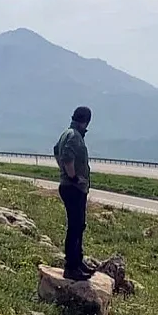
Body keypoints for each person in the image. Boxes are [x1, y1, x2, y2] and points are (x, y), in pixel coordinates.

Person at [53, 106, 95, 281]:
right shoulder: (75, 136)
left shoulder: (67, 133)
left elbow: (56, 150)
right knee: (75, 227)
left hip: (70, 187)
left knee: (79, 225)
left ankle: (78, 261)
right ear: (85, 121)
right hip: (73, 188)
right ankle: (71, 267)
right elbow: (67, 157)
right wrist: (73, 177)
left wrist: (64, 171)